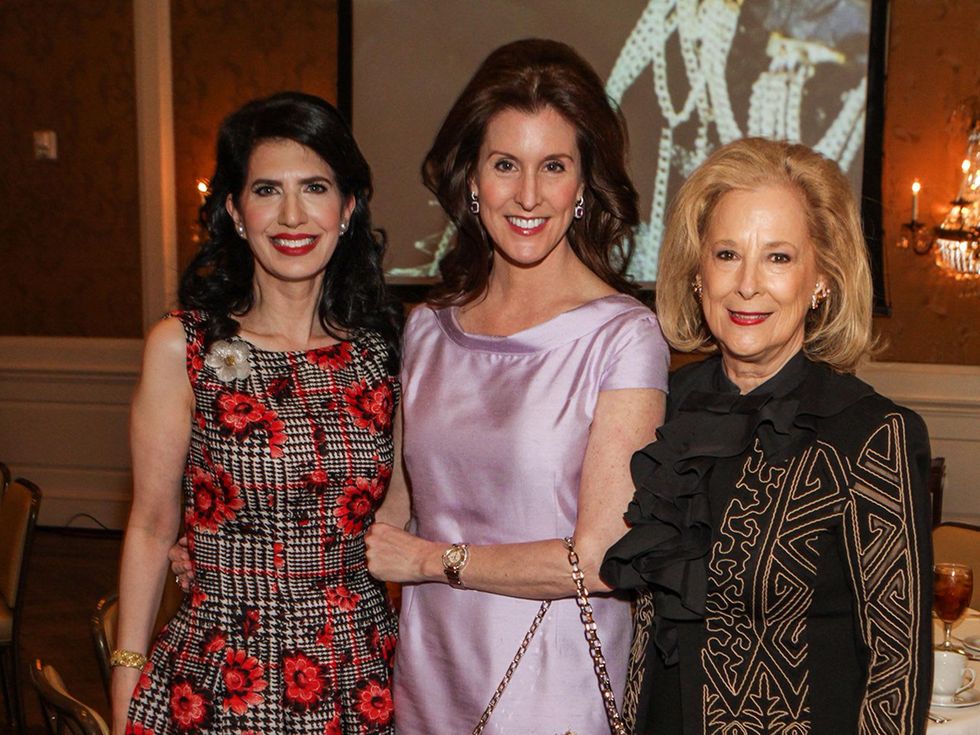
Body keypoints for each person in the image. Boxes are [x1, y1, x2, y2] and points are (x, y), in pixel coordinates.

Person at [362, 39, 670, 734]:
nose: (528, 195)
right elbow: (391, 511)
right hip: (429, 671)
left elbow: (600, 559)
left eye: (553, 166)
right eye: (505, 164)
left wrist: (433, 560)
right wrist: (231, 539)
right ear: (472, 179)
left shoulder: (623, 336)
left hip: (553, 682)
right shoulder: (426, 330)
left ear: (584, 184)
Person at [601, 137, 933, 734]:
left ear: (822, 279)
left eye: (778, 257)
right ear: (698, 272)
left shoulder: (873, 433)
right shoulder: (657, 410)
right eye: (727, 254)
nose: (747, 284)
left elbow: (897, 667)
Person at [113, 92, 402, 735]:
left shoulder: (384, 353)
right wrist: (126, 672)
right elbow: (152, 525)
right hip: (220, 672)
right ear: (236, 212)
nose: (293, 214)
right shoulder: (182, 346)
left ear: (348, 208)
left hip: (357, 669)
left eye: (316, 187)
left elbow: (399, 517)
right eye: (267, 189)